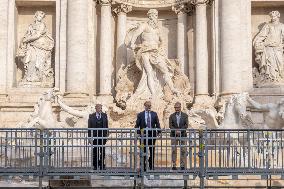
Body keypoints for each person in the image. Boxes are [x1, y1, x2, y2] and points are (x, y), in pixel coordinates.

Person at [129, 9, 179, 96]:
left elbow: (162, 41)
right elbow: (136, 33)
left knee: (165, 70)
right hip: (145, 52)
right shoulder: (144, 25)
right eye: (153, 15)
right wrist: (132, 43)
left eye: (156, 15)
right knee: (149, 73)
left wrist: (161, 49)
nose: (155, 17)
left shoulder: (157, 29)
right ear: (149, 16)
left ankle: (173, 89)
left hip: (156, 52)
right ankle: (153, 94)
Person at [17, 11, 54, 86]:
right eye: (39, 16)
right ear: (35, 16)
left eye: (42, 17)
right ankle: (29, 77)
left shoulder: (42, 25)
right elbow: (28, 34)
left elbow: (38, 35)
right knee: (30, 60)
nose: (40, 18)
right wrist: (24, 39)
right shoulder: (31, 25)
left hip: (40, 46)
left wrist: (27, 39)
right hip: (31, 46)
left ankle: (38, 78)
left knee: (39, 62)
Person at [253, 10, 284, 84]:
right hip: (268, 47)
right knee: (269, 64)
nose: (273, 18)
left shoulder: (282, 26)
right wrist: (257, 43)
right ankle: (269, 79)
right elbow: (261, 36)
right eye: (272, 16)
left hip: (278, 48)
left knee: (280, 63)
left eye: (274, 16)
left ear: (278, 16)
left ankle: (279, 78)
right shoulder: (268, 25)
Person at [135, 101, 161, 170]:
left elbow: (157, 124)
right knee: (143, 150)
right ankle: (143, 166)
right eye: (147, 105)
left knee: (152, 150)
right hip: (143, 136)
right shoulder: (140, 114)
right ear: (145, 106)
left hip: (152, 135)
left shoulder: (154, 114)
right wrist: (138, 133)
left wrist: (159, 132)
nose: (149, 107)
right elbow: (137, 125)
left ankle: (151, 165)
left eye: (150, 105)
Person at [88, 104, 109, 170]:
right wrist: (89, 137)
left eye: (101, 108)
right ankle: (95, 165)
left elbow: (106, 125)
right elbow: (89, 127)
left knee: (102, 151)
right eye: (99, 108)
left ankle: (102, 165)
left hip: (102, 136)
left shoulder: (104, 115)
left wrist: (107, 134)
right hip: (95, 136)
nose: (100, 109)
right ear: (96, 108)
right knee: (95, 151)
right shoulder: (91, 116)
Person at [169, 102, 189, 170]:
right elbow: (170, 125)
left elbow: (186, 125)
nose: (176, 109)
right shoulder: (171, 116)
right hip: (174, 135)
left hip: (183, 135)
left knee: (183, 150)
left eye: (178, 107)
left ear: (180, 107)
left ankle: (182, 165)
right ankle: (174, 165)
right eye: (175, 108)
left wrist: (180, 130)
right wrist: (176, 131)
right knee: (174, 150)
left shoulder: (185, 115)